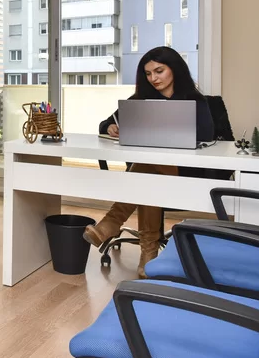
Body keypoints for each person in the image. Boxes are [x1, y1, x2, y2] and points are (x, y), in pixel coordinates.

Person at [84, 46, 214, 278]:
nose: (153, 78)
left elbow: (207, 134)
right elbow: (105, 123)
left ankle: (112, 224)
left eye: (159, 71)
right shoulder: (140, 101)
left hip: (185, 174)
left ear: (174, 69)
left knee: (145, 174)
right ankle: (147, 255)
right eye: (148, 73)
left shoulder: (194, 100)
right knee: (149, 178)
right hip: (151, 175)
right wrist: (110, 126)